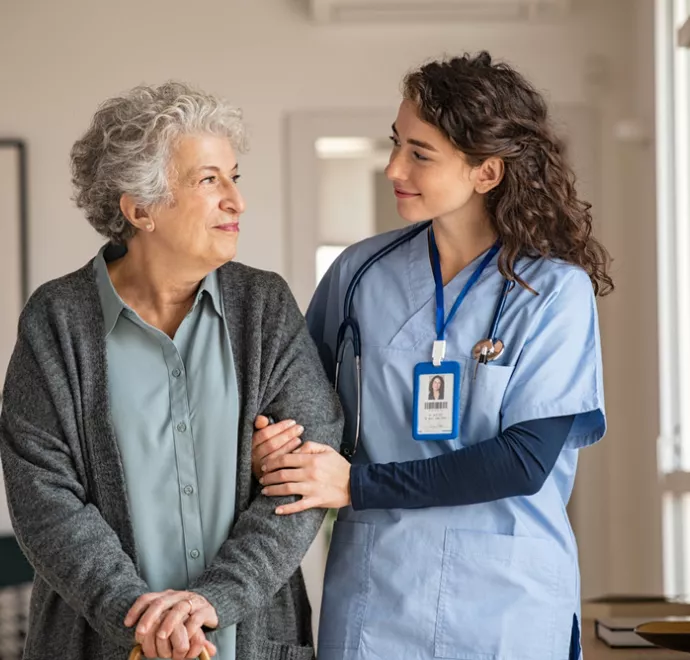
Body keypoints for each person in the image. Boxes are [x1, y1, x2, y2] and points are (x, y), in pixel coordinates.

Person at [251, 52, 612, 660]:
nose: (393, 166)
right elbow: (301, 406)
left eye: (420, 153)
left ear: (486, 172)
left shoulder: (552, 292)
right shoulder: (358, 274)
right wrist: (277, 443)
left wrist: (356, 485)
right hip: (378, 593)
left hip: (507, 601)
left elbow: (524, 461)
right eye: (396, 144)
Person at [0, 82, 342, 660]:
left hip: (252, 642)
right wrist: (141, 621)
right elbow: (44, 498)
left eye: (235, 177)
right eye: (209, 180)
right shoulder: (56, 320)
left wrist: (214, 601)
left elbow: (305, 475)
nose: (236, 201)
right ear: (139, 208)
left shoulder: (264, 306)